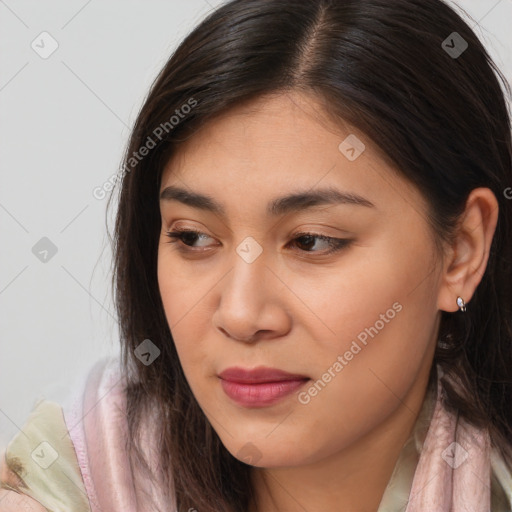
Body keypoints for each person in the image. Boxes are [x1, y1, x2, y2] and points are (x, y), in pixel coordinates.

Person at [2, 0, 512, 510]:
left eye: (311, 240)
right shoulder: (64, 477)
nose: (241, 316)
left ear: (460, 252)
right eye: (193, 237)